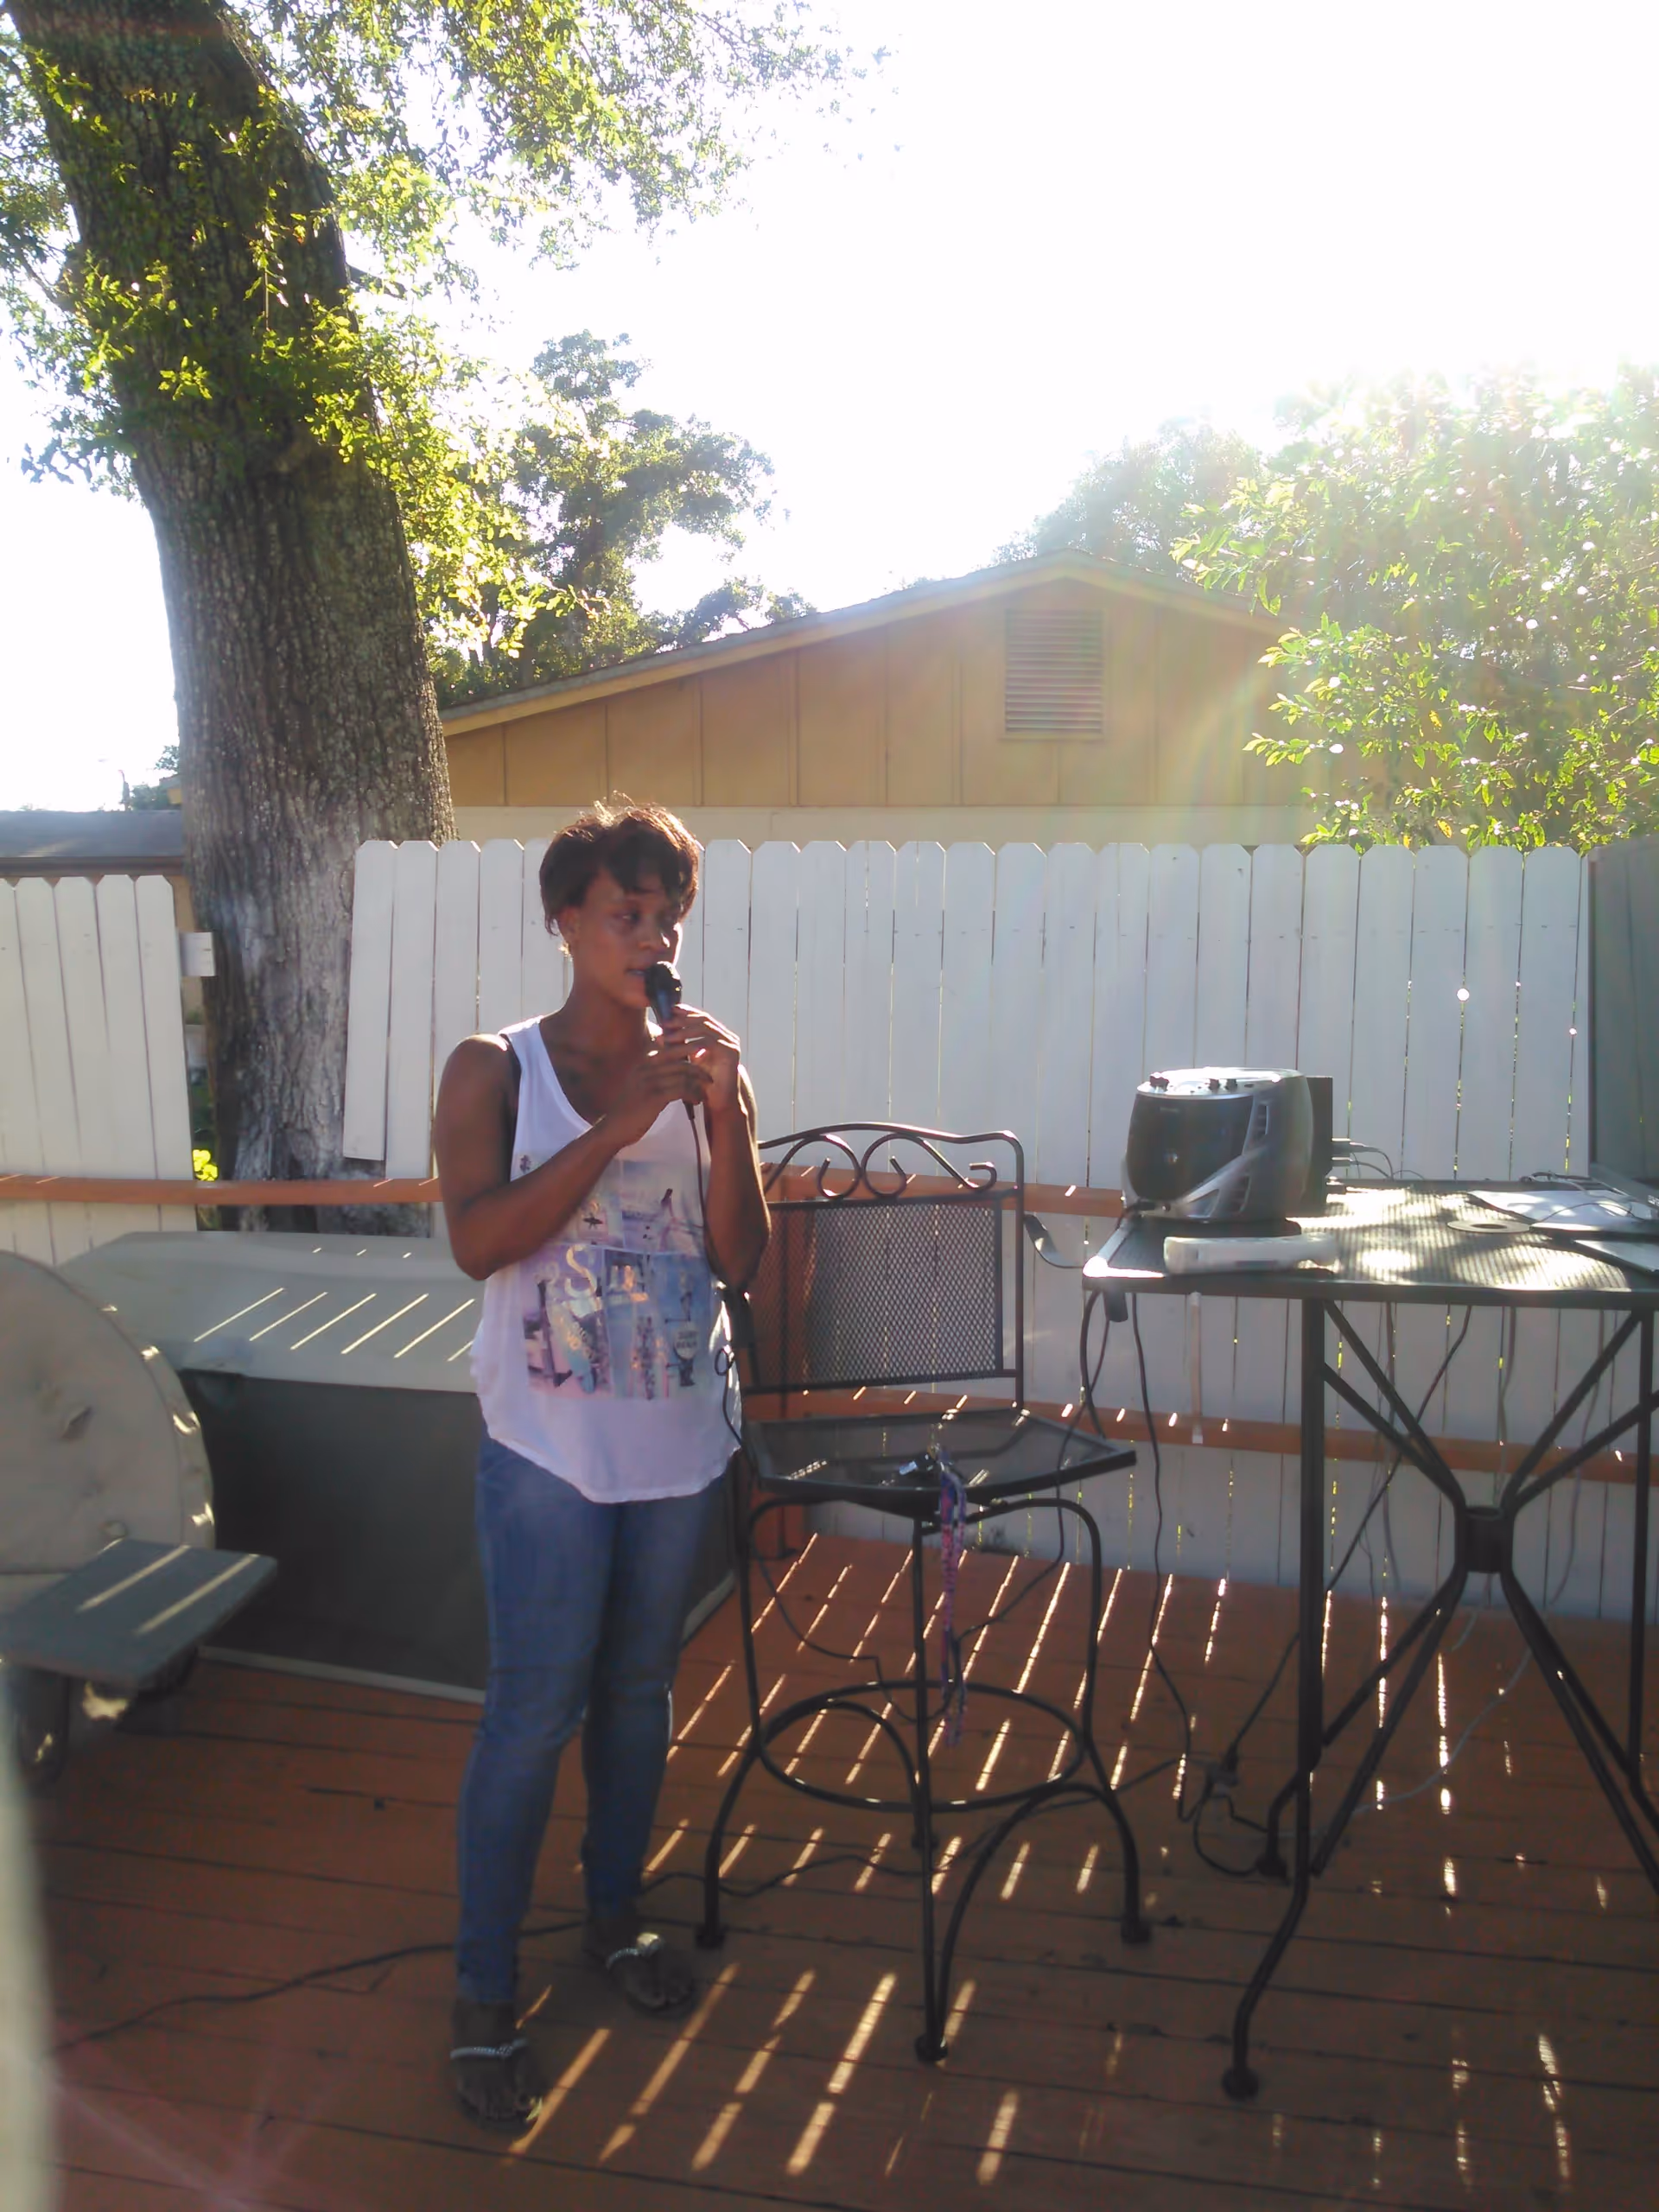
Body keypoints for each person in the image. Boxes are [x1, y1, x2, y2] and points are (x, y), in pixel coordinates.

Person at [434, 798, 769, 2131]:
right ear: (566, 921)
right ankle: (479, 1991)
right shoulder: (495, 1068)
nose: (650, 934)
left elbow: (740, 1258)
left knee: (637, 1699)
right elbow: (478, 1244)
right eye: (625, 912)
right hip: (547, 1454)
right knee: (530, 1718)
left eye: (666, 912)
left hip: (678, 1446)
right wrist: (616, 1125)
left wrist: (724, 1115)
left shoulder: (701, 1072)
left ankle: (615, 1921)